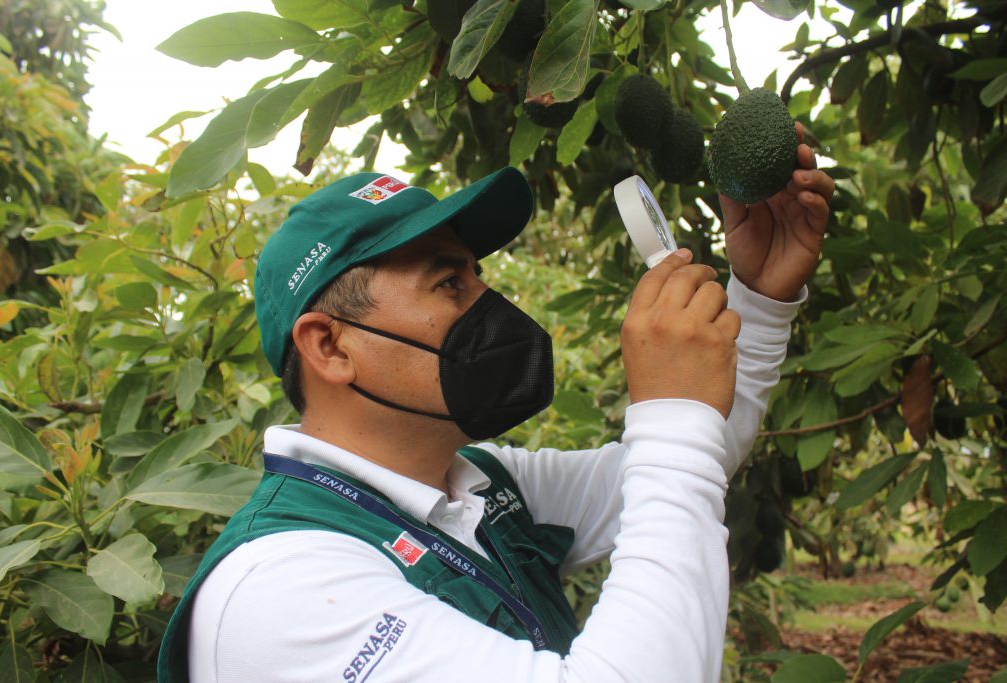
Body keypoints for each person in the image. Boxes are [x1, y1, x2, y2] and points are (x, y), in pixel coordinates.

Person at [158, 125, 834, 682]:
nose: (491, 304)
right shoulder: (279, 589)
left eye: (478, 274)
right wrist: (668, 414)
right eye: (449, 282)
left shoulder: (482, 486)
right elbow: (679, 453)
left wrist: (761, 301)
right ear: (330, 346)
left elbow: (694, 460)